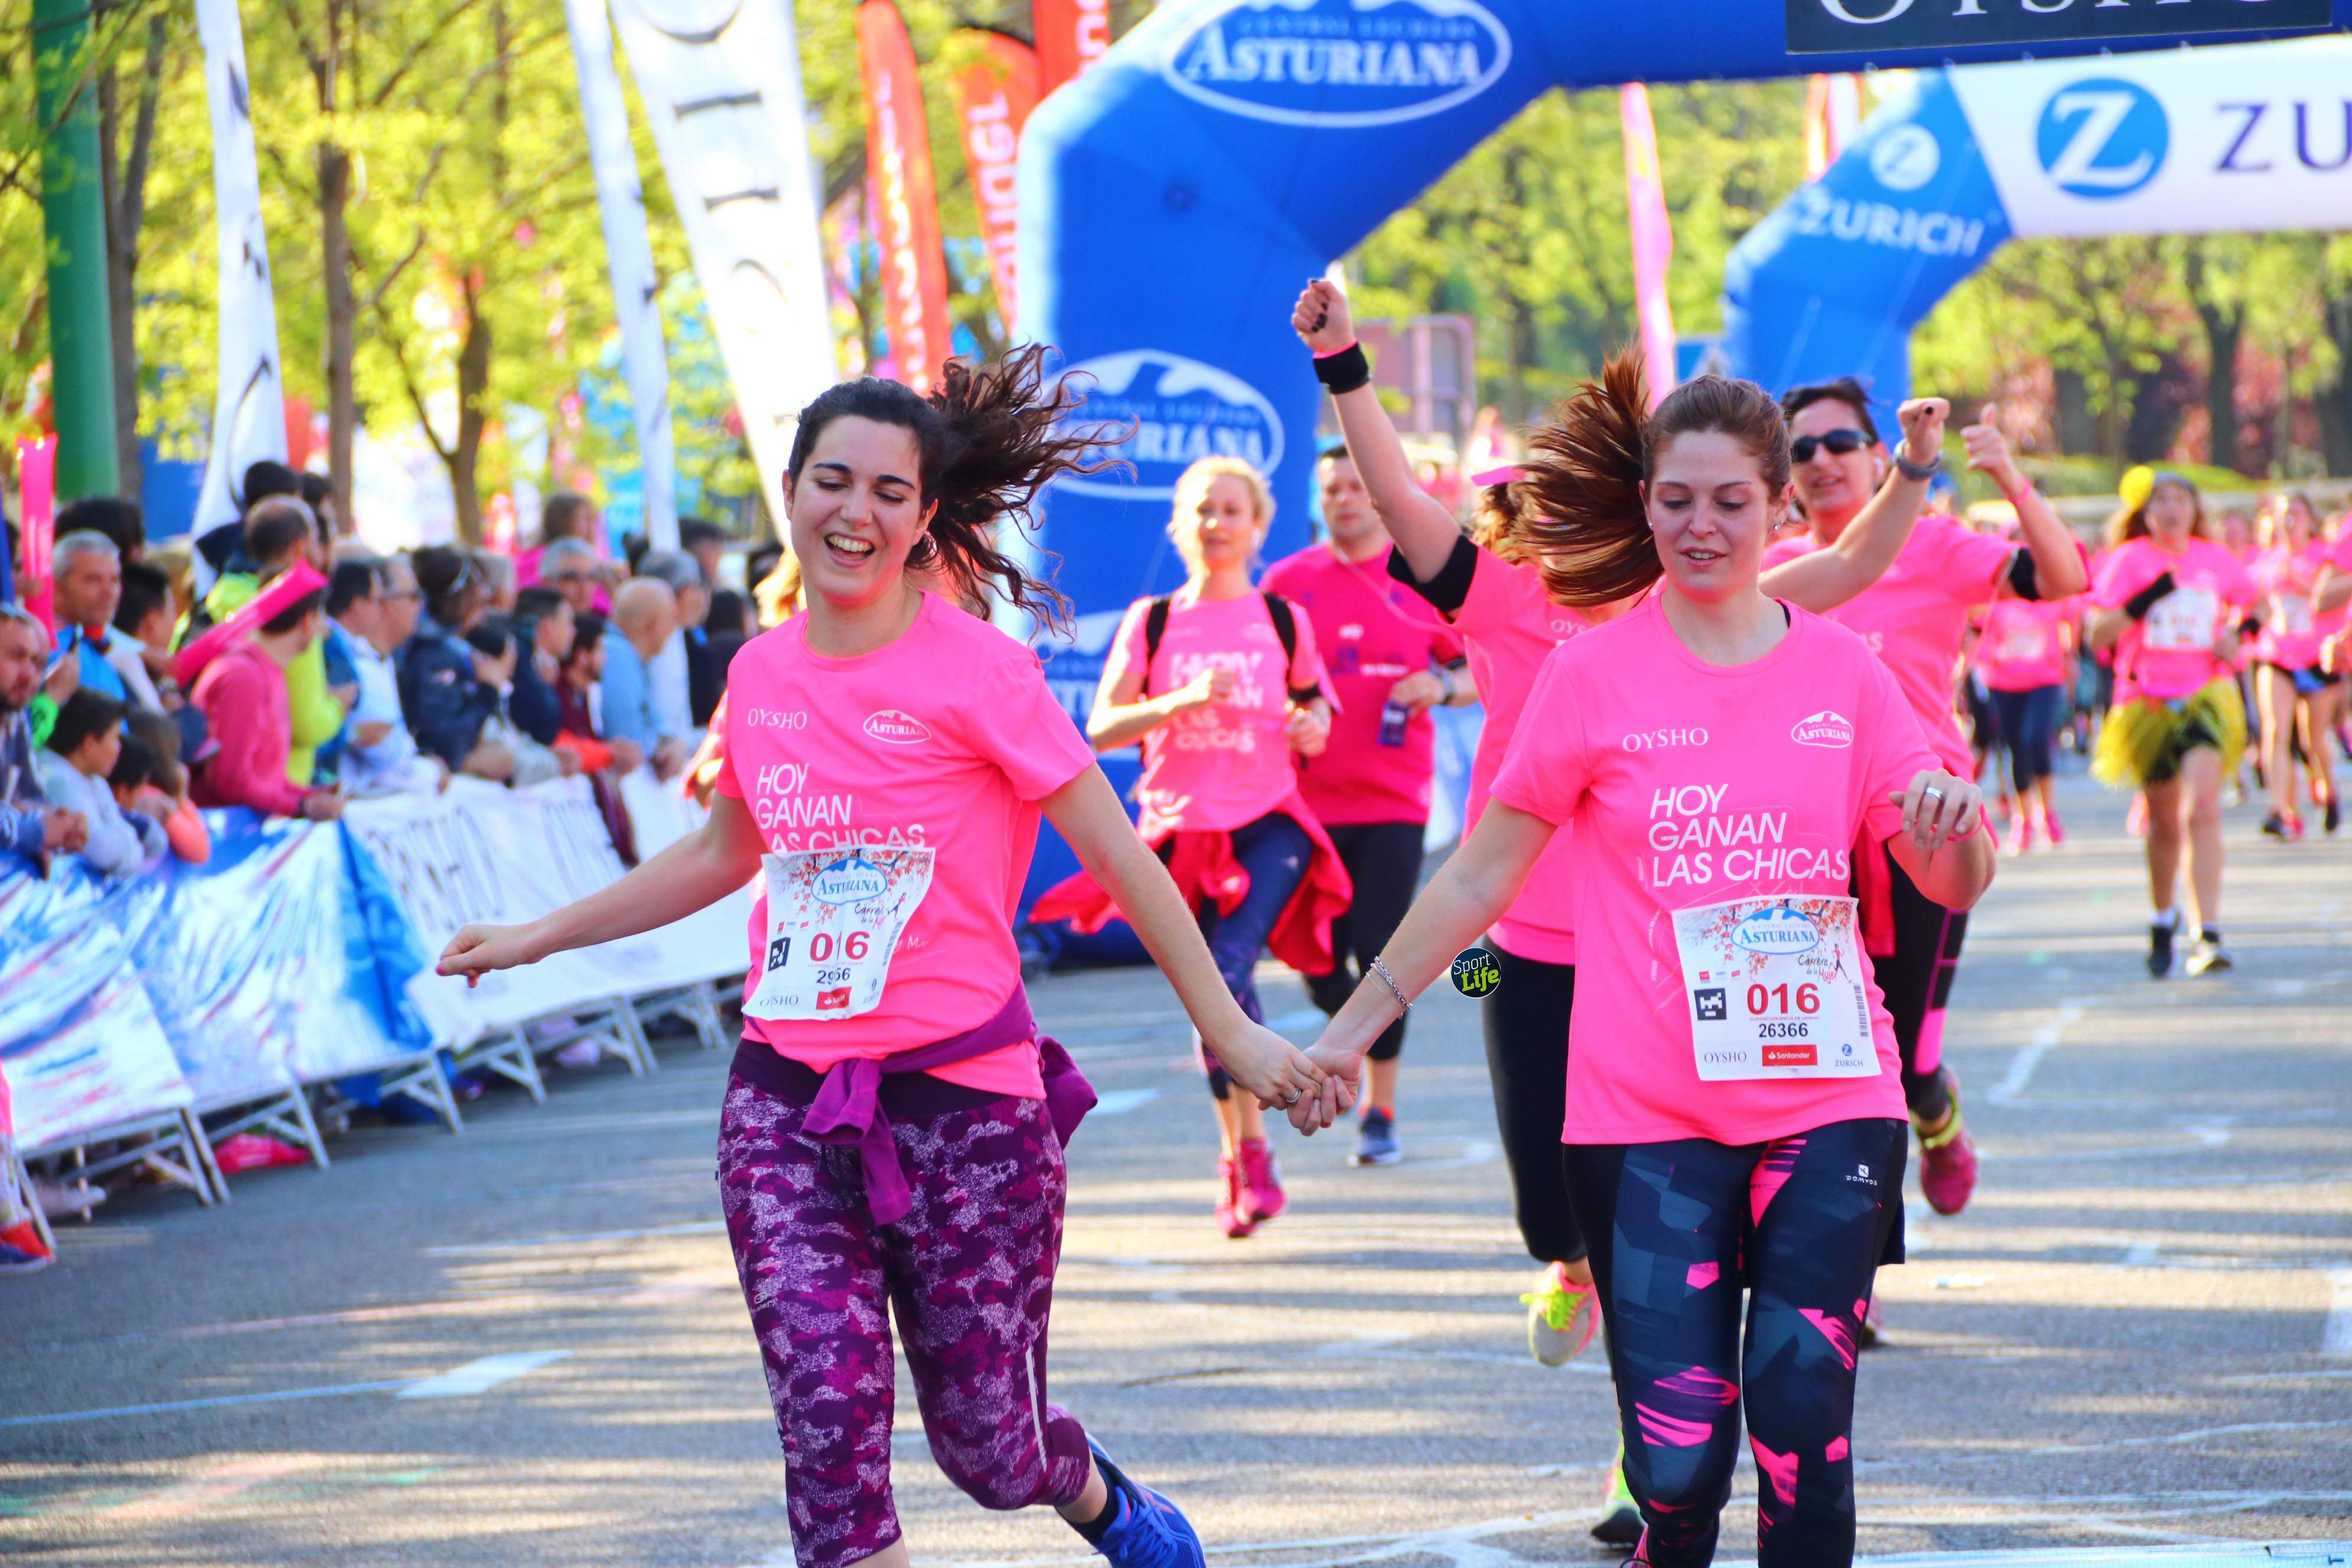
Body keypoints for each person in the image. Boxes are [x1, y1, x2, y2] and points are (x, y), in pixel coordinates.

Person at [437, 350, 1330, 1568]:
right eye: (831, 481)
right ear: (793, 493)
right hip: (786, 1100)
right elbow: (718, 853)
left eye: (888, 492)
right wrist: (541, 933)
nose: (855, 512)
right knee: (827, 1428)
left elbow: (1121, 854)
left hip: (965, 1107)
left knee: (991, 1452)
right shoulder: (757, 673)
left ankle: (1090, 1491)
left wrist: (1230, 1027)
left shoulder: (982, 671)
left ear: (922, 516)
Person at [1293, 352, 1993, 1568]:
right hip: (1646, 1118)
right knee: (1676, 1468)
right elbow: (1476, 873)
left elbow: (1947, 877)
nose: (1701, 525)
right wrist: (1348, 1030)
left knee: (1802, 1427)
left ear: (1779, 508)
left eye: (1730, 501)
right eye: (1677, 499)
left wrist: (1956, 836)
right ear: (1646, 505)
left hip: (1828, 1099)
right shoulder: (1588, 673)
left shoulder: (1846, 670)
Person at [1770, 387, 2085, 1223]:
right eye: (1802, 451)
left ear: (1882, 456)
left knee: (1899, 1056)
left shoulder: (1935, 544)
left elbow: (2064, 578)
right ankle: (1847, 1266)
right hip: (1808, 836)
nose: (1823, 462)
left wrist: (2012, 480)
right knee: (1817, 1057)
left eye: (1841, 442)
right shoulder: (1770, 569)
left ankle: (1936, 1115)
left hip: (1922, 826)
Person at [1033, 454, 1347, 1239]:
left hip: (1268, 819)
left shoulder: (1281, 620)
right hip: (1176, 828)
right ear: (1182, 523)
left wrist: (1313, 725)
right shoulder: (1155, 622)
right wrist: (1179, 699)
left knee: (1232, 968)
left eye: (1232, 511)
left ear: (1258, 527)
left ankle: (1254, 1155)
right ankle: (1240, 1155)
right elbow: (1103, 727)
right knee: (1208, 998)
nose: (1217, 524)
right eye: (1204, 510)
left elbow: (1315, 711)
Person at [1260, 443, 1475, 1166]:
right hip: (1304, 801)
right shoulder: (1288, 583)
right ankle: (1350, 1030)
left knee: (1383, 955)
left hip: (1394, 802)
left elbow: (1489, 664)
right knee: (1316, 957)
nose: (1345, 498)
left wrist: (1441, 689)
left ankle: (1380, 1111)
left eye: (1357, 484)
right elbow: (1260, 676)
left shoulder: (1420, 578)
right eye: (1331, 487)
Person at [2086, 469, 2258, 978]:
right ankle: (2163, 917)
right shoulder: (2130, 560)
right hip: (2147, 703)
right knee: (2164, 822)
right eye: (2161, 499)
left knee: (2201, 808)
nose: (2172, 508)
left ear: (2194, 508)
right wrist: (2145, 599)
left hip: (2206, 695)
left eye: (2181, 498)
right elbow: (2098, 633)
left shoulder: (2212, 558)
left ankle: (2207, 929)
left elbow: (2257, 603)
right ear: (2145, 511)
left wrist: (2238, 634)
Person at [190, 569, 345, 822]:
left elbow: (263, 776)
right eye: (322, 618)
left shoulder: (267, 670)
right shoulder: (243, 676)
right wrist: (301, 808)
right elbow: (229, 780)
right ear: (307, 621)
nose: (325, 630)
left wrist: (308, 795)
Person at [2249, 491, 2340, 839]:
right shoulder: (2267, 559)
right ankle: (2281, 810)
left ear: (2310, 520)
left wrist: (2300, 582)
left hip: (2318, 656)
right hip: (2276, 654)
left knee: (2313, 740)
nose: (2289, 522)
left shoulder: (2324, 557)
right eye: (2284, 515)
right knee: (2275, 730)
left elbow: (2328, 600)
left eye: (2297, 514)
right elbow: (2254, 601)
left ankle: (2328, 790)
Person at [1973, 553, 2077, 854]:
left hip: (2044, 679)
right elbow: (1980, 632)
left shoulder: (2050, 594)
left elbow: (2071, 619)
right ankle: (2024, 821)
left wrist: (2069, 658)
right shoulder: (1997, 597)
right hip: (2003, 682)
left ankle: (2048, 812)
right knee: (2016, 747)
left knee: (2035, 739)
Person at [329, 557, 441, 796]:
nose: (419, 607)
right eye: (412, 596)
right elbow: (381, 756)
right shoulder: (351, 663)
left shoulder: (380, 660)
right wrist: (433, 772)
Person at [398, 545, 509, 781]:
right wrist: (488, 691)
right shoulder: (430, 655)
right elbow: (448, 745)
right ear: (457, 597)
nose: (483, 596)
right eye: (475, 587)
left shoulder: (451, 648)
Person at [38, 690, 165, 877]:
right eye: (115, 738)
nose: (119, 749)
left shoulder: (96, 782)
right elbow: (101, 851)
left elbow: (135, 854)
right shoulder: (58, 780)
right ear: (89, 743)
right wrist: (128, 840)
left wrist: (125, 843)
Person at [1, 606, 88, 872]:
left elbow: (32, 796)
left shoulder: (13, 719)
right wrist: (35, 832)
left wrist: (62, 823)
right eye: (16, 657)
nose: (29, 675)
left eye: (38, 663)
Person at [602, 577, 690, 779]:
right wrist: (663, 749)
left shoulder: (629, 656)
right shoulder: (618, 657)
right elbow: (626, 737)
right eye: (672, 619)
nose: (674, 629)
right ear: (656, 624)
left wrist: (670, 743)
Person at [47, 531, 130, 705]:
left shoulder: (94, 645)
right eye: (93, 580)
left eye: (114, 580)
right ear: (57, 587)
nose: (109, 593)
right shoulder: (42, 651)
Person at [537, 537, 606, 618]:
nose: (584, 588)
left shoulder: (605, 625)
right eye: (571, 578)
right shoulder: (531, 627)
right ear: (547, 582)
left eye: (590, 578)